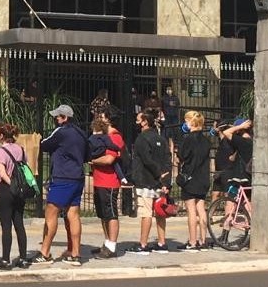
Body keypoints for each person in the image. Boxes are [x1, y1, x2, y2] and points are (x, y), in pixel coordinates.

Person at [35, 104, 86, 266]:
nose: (56, 118)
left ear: (65, 118)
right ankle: (76, 254)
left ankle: (45, 252)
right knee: (74, 215)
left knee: (51, 213)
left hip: (62, 177)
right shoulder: (81, 133)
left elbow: (44, 145)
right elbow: (87, 154)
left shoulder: (61, 132)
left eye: (58, 116)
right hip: (78, 176)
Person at [130, 112, 171, 255]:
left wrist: (157, 173)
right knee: (160, 212)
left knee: (146, 213)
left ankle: (143, 244)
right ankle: (162, 242)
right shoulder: (161, 139)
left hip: (145, 180)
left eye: (137, 119)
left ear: (144, 122)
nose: (136, 122)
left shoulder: (142, 138)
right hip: (159, 183)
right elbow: (167, 160)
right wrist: (164, 180)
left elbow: (146, 160)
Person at [0, 123, 28, 270]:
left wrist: (11, 184)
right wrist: (18, 187)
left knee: (6, 226)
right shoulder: (20, 149)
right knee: (19, 224)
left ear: (1, 136)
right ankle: (23, 258)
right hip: (19, 191)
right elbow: (24, 167)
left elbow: (2, 173)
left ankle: (6, 259)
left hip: (6, 190)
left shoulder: (0, 151)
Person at [176, 111, 212, 252]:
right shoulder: (206, 140)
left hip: (190, 178)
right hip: (203, 177)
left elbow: (182, 156)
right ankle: (203, 240)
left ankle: (192, 241)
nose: (185, 124)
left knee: (191, 210)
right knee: (201, 209)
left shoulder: (188, 139)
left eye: (186, 121)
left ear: (191, 122)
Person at [88, 116, 123, 260]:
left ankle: (112, 246)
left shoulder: (114, 138)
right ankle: (107, 242)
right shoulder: (101, 138)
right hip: (99, 180)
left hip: (109, 182)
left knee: (111, 214)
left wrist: (93, 161)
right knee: (103, 214)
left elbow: (109, 159)